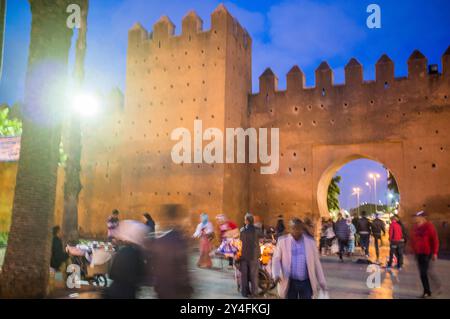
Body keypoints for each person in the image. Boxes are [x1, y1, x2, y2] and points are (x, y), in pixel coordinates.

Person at [272, 218, 328, 299]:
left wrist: (322, 282)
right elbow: (276, 259)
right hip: (290, 282)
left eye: (299, 228)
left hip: (306, 282)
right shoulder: (282, 242)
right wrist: (276, 274)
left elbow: (316, 264)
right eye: (294, 228)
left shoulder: (310, 243)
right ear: (290, 229)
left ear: (302, 229)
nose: (297, 231)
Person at [150, 204, 193, 299]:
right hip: (176, 292)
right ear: (176, 219)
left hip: (163, 291)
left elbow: (156, 270)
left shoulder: (160, 241)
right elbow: (182, 272)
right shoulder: (178, 241)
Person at [103, 220, 148, 299]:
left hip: (114, 291)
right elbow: (143, 275)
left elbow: (111, 274)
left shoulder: (122, 251)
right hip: (127, 293)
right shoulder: (137, 254)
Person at [410, 211, 439, 298]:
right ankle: (431, 289)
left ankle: (427, 291)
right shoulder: (415, 227)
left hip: (427, 253)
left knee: (423, 272)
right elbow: (413, 240)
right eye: (416, 216)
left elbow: (435, 240)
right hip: (419, 253)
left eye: (418, 217)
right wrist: (413, 251)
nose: (416, 218)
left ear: (423, 218)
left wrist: (435, 253)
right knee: (424, 273)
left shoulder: (429, 226)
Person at [239, 213, 260, 297]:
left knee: (244, 275)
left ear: (247, 221)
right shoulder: (257, 230)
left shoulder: (242, 230)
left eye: (245, 219)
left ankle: (244, 292)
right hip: (254, 256)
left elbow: (240, 242)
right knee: (254, 275)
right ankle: (254, 293)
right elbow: (264, 237)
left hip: (244, 255)